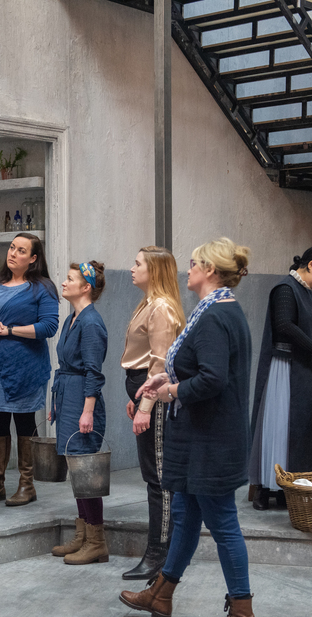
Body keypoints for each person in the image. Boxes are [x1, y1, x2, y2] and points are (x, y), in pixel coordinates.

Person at [120, 237, 257, 617]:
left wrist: (173, 392)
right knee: (183, 511)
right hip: (200, 436)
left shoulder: (217, 315)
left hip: (210, 438)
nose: (189, 268)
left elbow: (214, 378)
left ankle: (243, 613)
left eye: (196, 263)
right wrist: (169, 377)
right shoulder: (216, 309)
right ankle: (161, 595)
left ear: (211, 271)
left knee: (222, 522)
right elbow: (202, 366)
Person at [0, 233, 59, 507]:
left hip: (25, 366)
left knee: (24, 422)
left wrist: (9, 330)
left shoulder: (43, 288)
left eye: (21, 250)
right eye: (12, 247)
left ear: (33, 259)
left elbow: (49, 327)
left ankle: (27, 485)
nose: (13, 253)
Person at [248, 245, 312, 511]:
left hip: (302, 368)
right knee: (280, 429)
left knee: (299, 432)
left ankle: (293, 486)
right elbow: (285, 326)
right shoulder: (285, 289)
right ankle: (268, 487)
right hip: (284, 369)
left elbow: (310, 331)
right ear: (311, 265)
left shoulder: (307, 292)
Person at [120, 246, 185, 580]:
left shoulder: (160, 307)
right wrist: (137, 395)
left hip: (156, 399)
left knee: (158, 479)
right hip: (145, 393)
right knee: (153, 477)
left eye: (137, 263)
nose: (132, 268)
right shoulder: (148, 303)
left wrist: (146, 404)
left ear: (154, 271)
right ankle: (159, 550)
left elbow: (160, 363)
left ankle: (159, 554)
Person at [50, 261, 109, 565]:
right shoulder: (71, 319)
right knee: (76, 471)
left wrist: (87, 412)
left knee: (86, 471)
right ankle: (82, 534)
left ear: (85, 287)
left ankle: (96, 541)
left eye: (70, 279)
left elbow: (93, 373)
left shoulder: (91, 323)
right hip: (68, 396)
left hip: (83, 401)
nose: (64, 282)